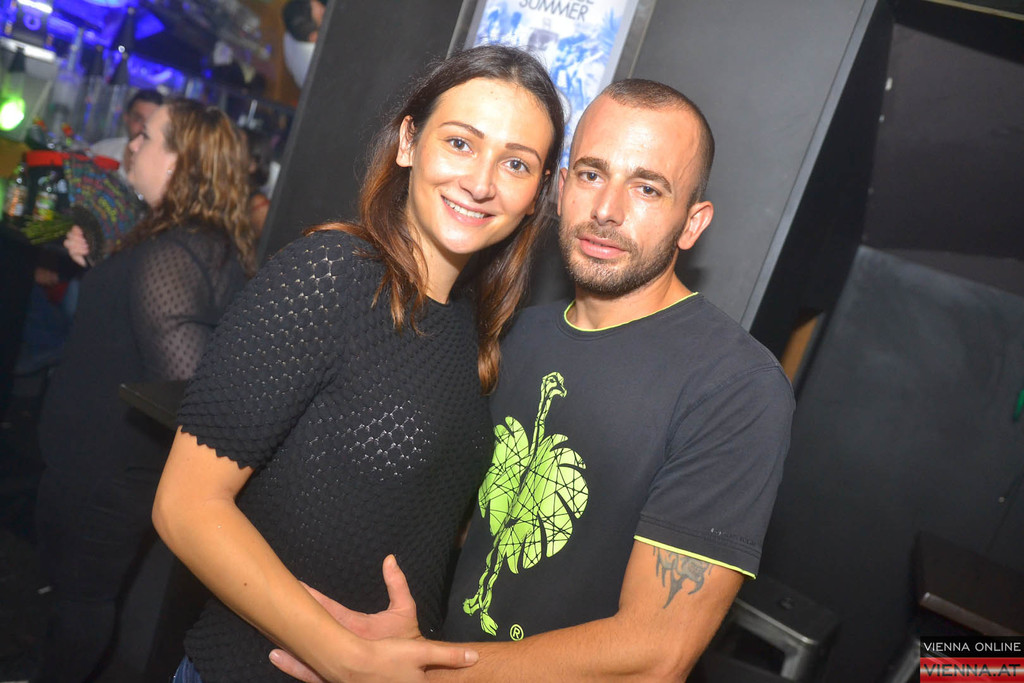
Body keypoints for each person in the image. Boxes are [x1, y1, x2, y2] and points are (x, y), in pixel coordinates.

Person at [271, 78, 795, 681]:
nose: (607, 210)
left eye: (647, 188)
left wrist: (420, 674)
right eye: (592, 174)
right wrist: (390, 644)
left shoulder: (736, 387)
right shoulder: (513, 334)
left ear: (691, 223)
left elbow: (656, 654)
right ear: (562, 187)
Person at [151, 45, 564, 682]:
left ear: (537, 193)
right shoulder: (331, 275)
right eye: (460, 143)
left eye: (516, 163)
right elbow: (185, 504)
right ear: (408, 142)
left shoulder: (471, 326)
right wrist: (346, 658)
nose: (482, 182)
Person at [34, 99, 257, 683]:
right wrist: (106, 264)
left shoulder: (174, 251)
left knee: (81, 605)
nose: (132, 144)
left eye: (147, 137)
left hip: (106, 471)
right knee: (76, 598)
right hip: (107, 465)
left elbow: (187, 388)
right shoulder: (190, 240)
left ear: (179, 161)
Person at [90, 88, 164, 179]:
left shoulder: (163, 171)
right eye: (138, 119)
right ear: (126, 118)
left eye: (151, 122)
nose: (143, 129)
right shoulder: (102, 151)